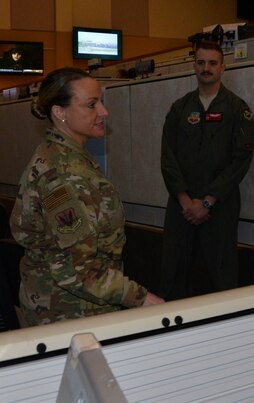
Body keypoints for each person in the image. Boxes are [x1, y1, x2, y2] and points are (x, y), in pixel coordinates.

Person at [9, 67, 164, 326]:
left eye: (101, 102)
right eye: (91, 105)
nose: (104, 112)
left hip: (74, 308)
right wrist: (141, 298)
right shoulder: (63, 174)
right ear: (60, 113)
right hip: (71, 314)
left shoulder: (67, 157)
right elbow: (77, 270)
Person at [159, 41, 254, 300]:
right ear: (194, 66)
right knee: (173, 276)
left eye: (212, 63)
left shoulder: (237, 109)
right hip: (181, 207)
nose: (206, 68)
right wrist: (185, 200)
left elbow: (240, 159)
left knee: (223, 280)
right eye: (201, 63)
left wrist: (208, 201)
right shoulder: (180, 108)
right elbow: (168, 159)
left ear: (222, 67)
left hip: (220, 206)